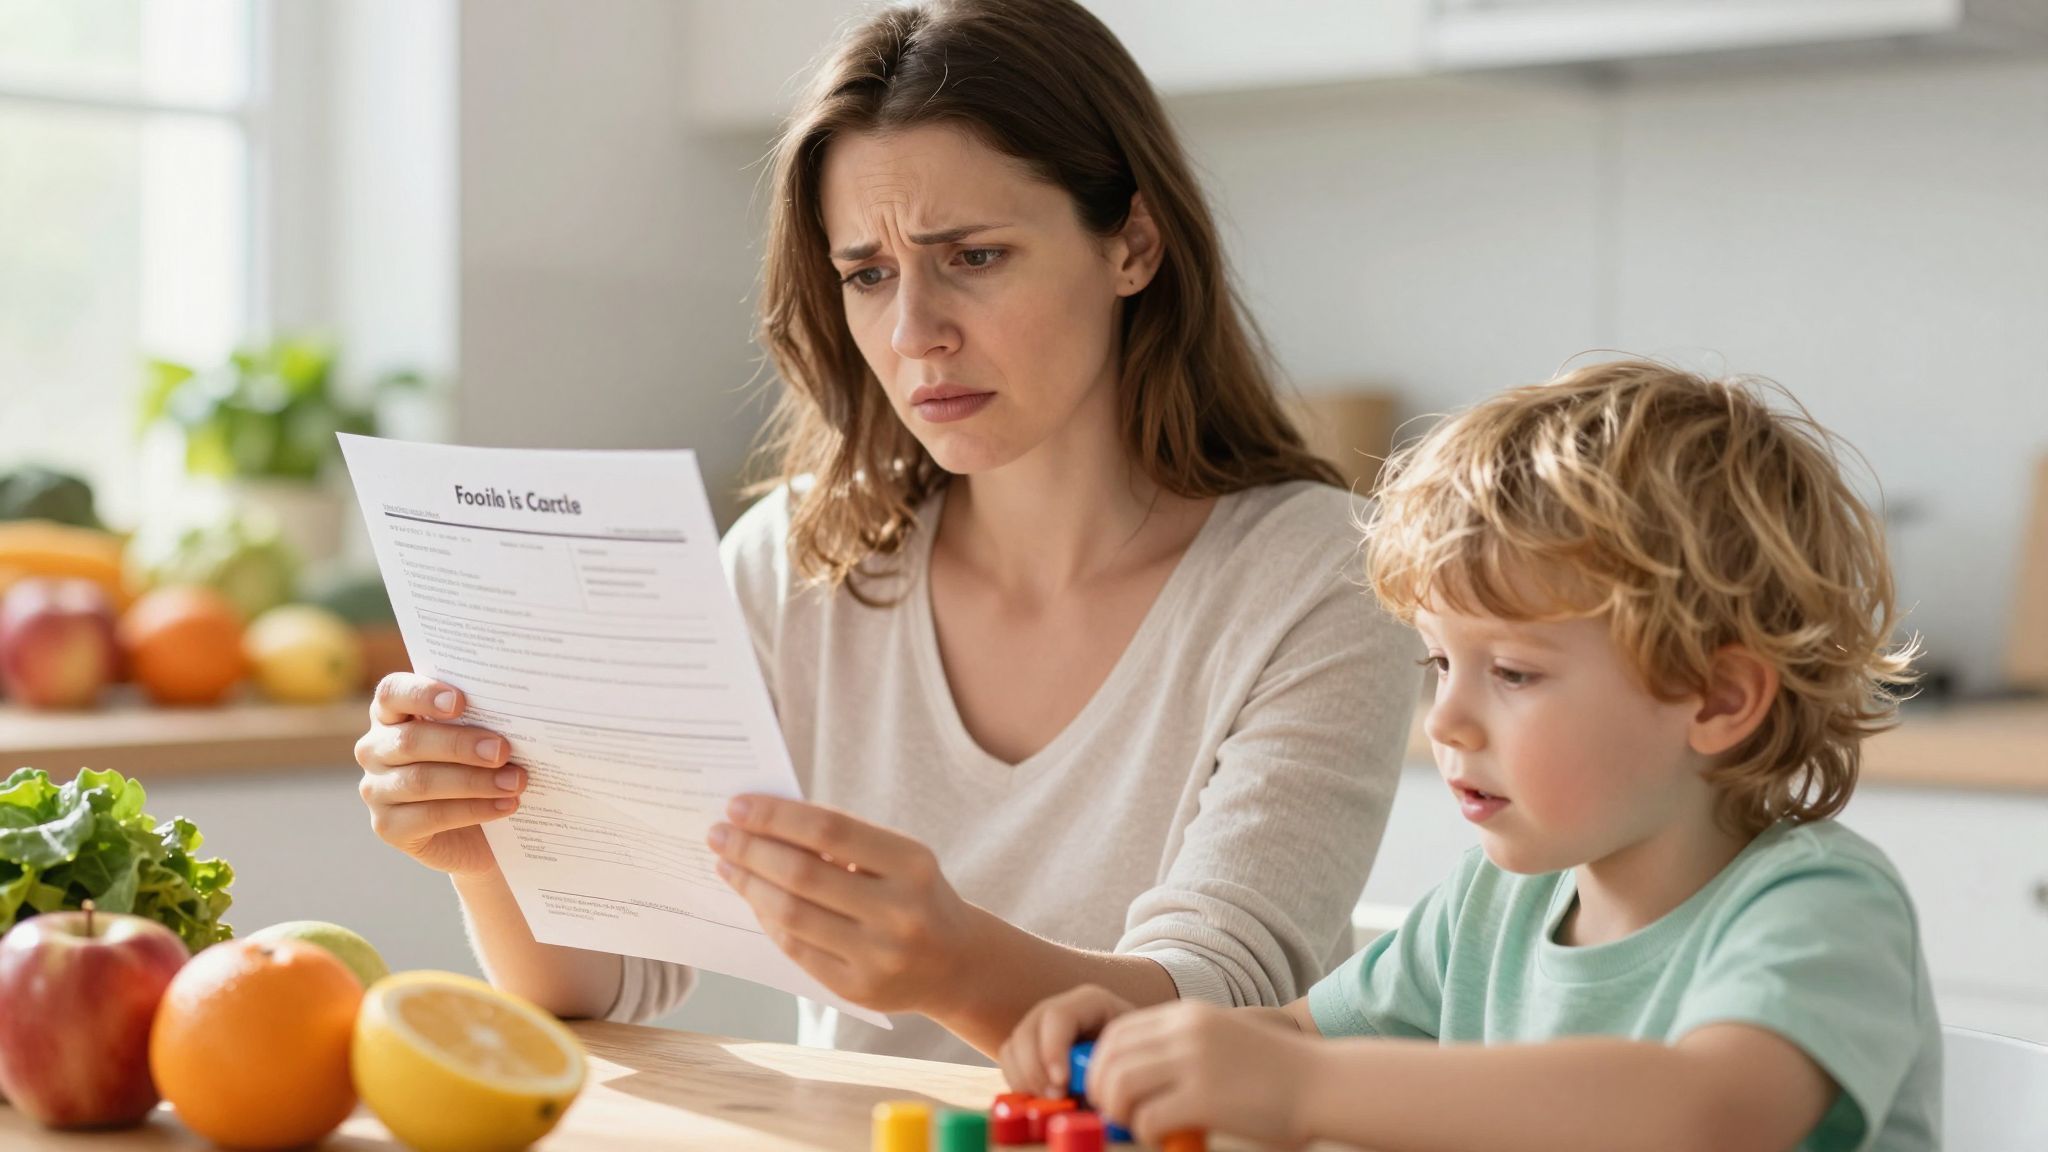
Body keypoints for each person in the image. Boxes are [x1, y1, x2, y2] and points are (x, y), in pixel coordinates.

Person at [353, 0, 1418, 1065]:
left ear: (1132, 243)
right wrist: (488, 850)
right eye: (866, 273)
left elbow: (1219, 1008)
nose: (914, 333)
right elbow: (610, 980)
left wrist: (956, 968)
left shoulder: (1318, 582)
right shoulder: (794, 564)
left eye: (975, 257)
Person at [1002, 360, 1939, 1150]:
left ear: (1720, 698)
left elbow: (1710, 1112)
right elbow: (1296, 1034)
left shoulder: (1817, 908)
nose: (1444, 718)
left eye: (1516, 674)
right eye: (1442, 661)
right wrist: (1149, 1040)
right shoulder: (1496, 905)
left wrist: (1296, 1090)